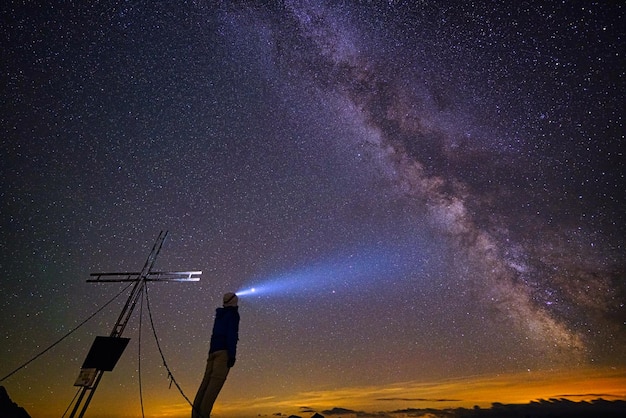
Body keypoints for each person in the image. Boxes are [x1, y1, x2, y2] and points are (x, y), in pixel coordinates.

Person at [192, 292, 240, 418]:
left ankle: (195, 414)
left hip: (213, 352)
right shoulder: (233, 315)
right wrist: (232, 355)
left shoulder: (220, 315)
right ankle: (203, 415)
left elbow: (216, 335)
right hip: (223, 353)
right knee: (214, 386)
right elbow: (231, 335)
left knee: (205, 384)